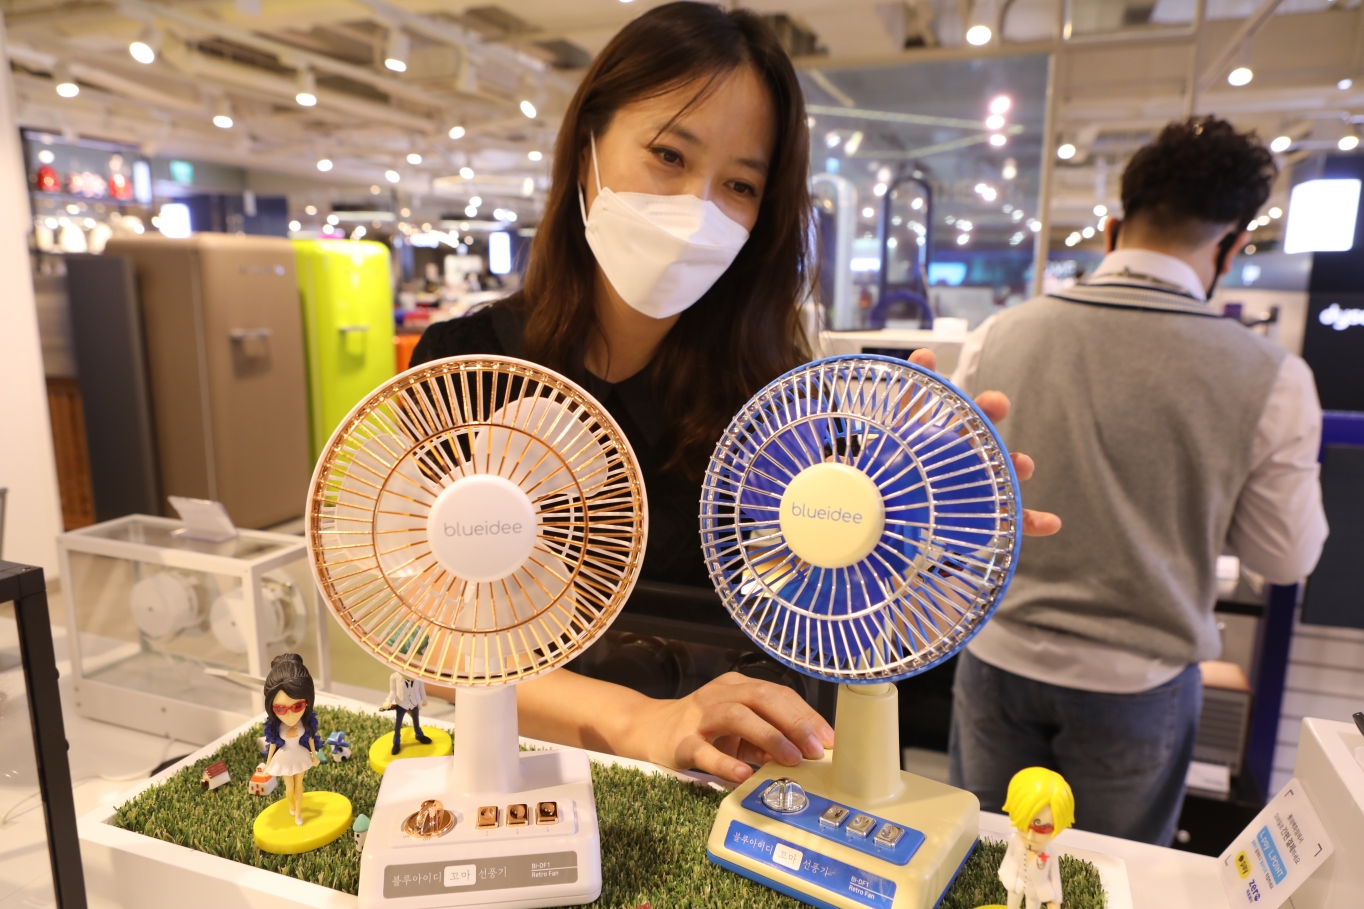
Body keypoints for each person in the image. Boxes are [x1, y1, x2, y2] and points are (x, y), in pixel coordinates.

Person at [410, 3, 1059, 784]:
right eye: (669, 155)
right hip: (525, 770)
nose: (697, 211)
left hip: (735, 773)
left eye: (740, 184)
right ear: (586, 150)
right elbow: (436, 644)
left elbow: (840, 613)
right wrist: (644, 720)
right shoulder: (464, 368)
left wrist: (930, 528)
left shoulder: (782, 403)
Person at [949, 117, 1329, 845]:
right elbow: (1284, 558)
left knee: (980, 862)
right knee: (1116, 878)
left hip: (995, 654)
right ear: (1230, 246)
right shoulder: (1273, 376)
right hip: (1138, 681)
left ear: (1114, 229)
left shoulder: (999, 334)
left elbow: (955, 498)